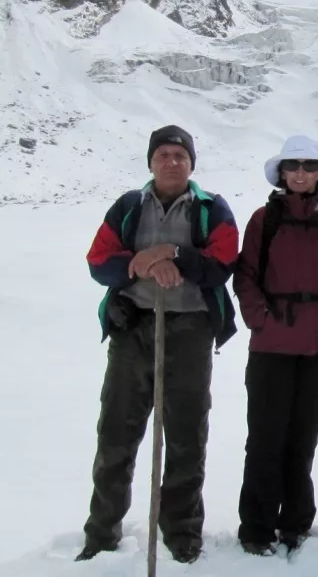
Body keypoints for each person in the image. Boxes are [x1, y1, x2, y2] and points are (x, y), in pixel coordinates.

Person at [78, 125, 239, 564]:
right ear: (151, 162)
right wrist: (141, 264)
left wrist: (171, 253)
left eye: (180, 155)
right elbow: (98, 261)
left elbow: (222, 263)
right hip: (132, 328)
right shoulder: (129, 206)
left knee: (187, 434)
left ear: (192, 163)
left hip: (189, 330)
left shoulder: (210, 208)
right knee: (117, 431)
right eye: (164, 155)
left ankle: (182, 532)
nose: (172, 162)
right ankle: (101, 532)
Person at [233, 135, 318, 556]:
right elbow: (245, 274)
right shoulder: (263, 220)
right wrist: (259, 318)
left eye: (309, 165)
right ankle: (257, 528)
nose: (300, 173)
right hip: (272, 344)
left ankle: (295, 521)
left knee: (303, 437)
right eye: (293, 165)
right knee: (265, 437)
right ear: (282, 173)